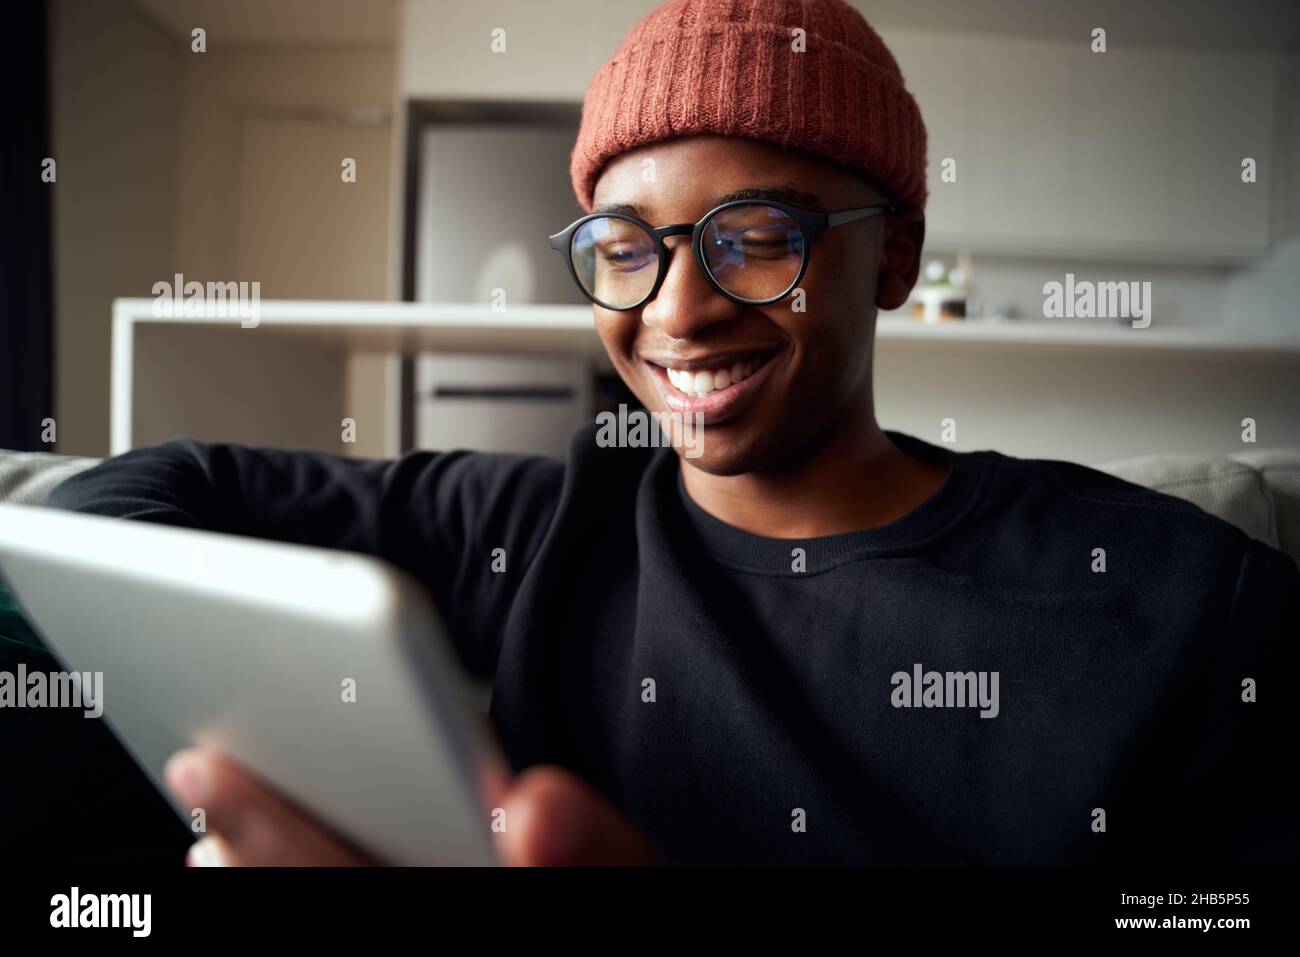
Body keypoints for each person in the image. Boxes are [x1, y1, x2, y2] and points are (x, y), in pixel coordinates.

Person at [44, 0, 1297, 866]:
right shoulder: (533, 528)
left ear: (893, 255)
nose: (678, 311)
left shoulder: (1178, 596)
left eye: (756, 237)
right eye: (627, 250)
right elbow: (126, 504)